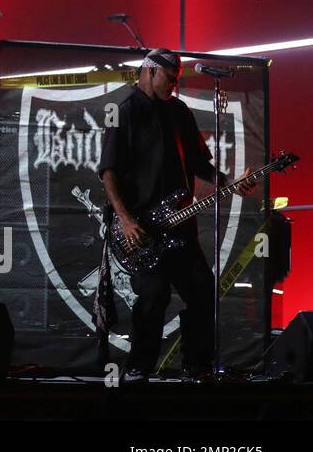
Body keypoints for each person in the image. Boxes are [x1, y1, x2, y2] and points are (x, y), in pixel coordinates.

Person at [97, 48, 256, 381]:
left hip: (181, 228)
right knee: (153, 295)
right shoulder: (124, 112)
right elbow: (108, 172)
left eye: (176, 81)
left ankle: (196, 366)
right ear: (151, 71)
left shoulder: (179, 111)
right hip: (142, 230)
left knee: (202, 290)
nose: (173, 86)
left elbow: (200, 164)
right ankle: (138, 368)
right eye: (169, 79)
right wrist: (126, 220)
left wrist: (231, 183)